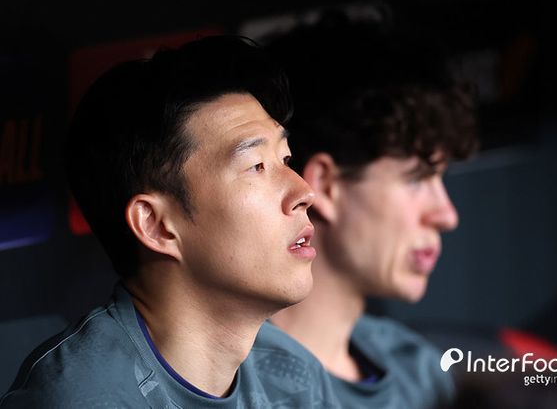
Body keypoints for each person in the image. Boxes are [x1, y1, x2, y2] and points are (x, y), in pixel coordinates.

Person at [1, 36, 338, 407]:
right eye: (256, 166)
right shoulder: (80, 399)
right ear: (156, 226)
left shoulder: (294, 377)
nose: (304, 191)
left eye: (285, 160)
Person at [266, 20, 477, 408]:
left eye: (440, 178)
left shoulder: (420, 371)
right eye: (417, 178)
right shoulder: (232, 387)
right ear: (326, 186)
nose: (447, 215)